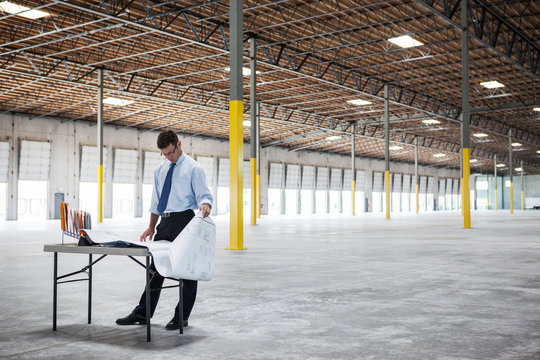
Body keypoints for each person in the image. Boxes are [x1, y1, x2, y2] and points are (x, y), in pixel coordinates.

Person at [116, 130, 213, 330]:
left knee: (187, 271)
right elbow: (156, 201)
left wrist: (205, 206)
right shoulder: (161, 170)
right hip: (165, 223)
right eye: (164, 154)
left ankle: (181, 317)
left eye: (170, 152)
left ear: (178, 145)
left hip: (185, 220)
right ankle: (143, 313)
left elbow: (204, 195)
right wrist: (152, 226)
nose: (169, 157)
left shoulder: (194, 169)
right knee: (155, 270)